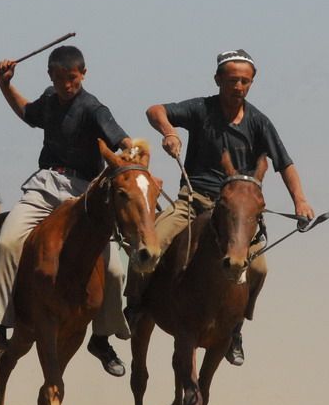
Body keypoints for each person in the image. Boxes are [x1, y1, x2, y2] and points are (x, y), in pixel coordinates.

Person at [129, 49, 315, 366]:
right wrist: (169, 131)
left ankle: (236, 329)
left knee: (258, 268)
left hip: (235, 213)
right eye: (232, 80)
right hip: (194, 200)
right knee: (151, 245)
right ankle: (134, 306)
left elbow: (285, 164)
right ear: (218, 80)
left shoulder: (258, 122)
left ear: (252, 83)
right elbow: (154, 110)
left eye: (244, 81)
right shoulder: (201, 109)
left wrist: (300, 200)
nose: (238, 86)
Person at [0, 45, 133, 378]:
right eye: (60, 79)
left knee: (116, 270)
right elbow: (27, 113)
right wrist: (5, 85)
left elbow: (121, 139)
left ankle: (101, 338)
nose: (66, 85)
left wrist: (131, 151)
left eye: (72, 79)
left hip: (83, 195)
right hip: (46, 184)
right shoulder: (48, 99)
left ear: (83, 74)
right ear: (51, 76)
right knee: (6, 241)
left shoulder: (93, 108)